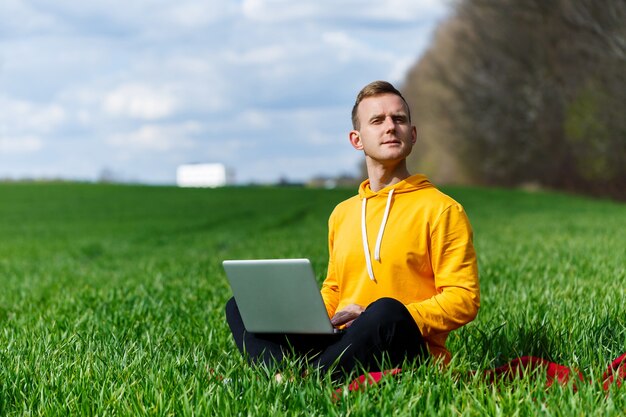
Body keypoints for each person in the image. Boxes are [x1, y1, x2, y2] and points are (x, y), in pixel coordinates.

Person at [225, 80, 480, 380]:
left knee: (385, 310)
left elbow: (464, 299)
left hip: (406, 346)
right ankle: (283, 373)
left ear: (412, 135)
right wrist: (314, 318)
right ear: (356, 140)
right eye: (377, 120)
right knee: (241, 305)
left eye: (399, 119)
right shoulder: (342, 214)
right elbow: (335, 287)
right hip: (344, 340)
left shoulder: (442, 209)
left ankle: (309, 379)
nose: (390, 127)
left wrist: (377, 316)